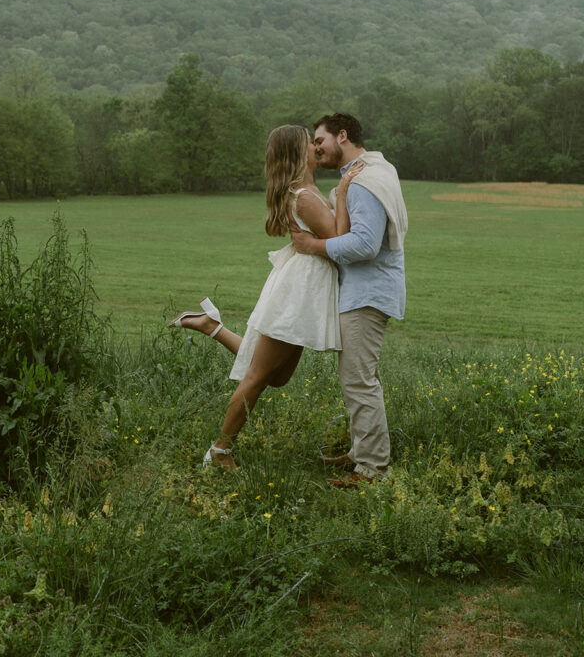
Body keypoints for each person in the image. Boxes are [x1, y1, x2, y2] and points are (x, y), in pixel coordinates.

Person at [170, 124, 361, 470]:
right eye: (309, 143)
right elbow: (338, 239)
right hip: (297, 295)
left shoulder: (308, 191)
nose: (316, 148)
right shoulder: (303, 197)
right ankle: (220, 452)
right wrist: (345, 191)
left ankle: (212, 327)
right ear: (295, 153)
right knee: (258, 377)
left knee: (277, 376)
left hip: (302, 290)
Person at [291, 113, 407, 488]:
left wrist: (314, 245)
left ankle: (372, 470)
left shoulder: (364, 182)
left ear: (342, 136)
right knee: (357, 377)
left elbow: (365, 244)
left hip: (367, 294)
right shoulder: (361, 176)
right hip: (363, 292)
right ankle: (361, 454)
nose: (315, 147)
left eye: (319, 139)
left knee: (359, 380)